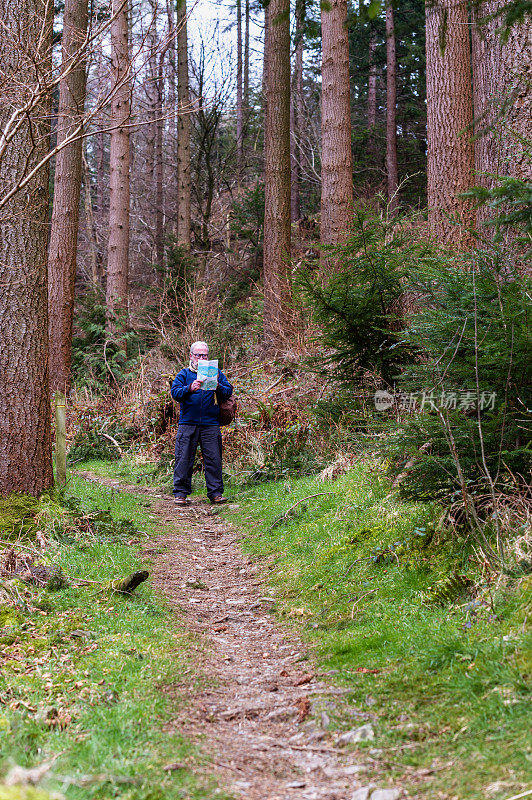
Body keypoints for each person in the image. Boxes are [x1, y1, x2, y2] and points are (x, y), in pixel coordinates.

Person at [170, 341, 233, 505]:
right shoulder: (184, 374)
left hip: (211, 423)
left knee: (214, 459)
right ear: (191, 356)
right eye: (198, 355)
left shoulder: (216, 372)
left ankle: (216, 494)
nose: (202, 358)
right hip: (187, 423)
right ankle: (180, 494)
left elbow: (228, 391)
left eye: (205, 355)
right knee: (183, 458)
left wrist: (217, 386)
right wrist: (189, 388)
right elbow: (175, 393)